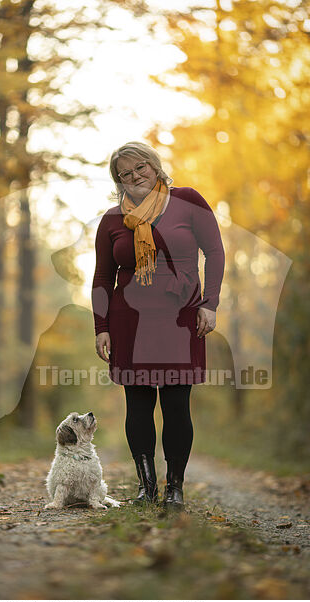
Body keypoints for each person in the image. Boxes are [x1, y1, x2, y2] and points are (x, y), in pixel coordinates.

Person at [91, 141, 225, 510]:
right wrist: (101, 325)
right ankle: (146, 486)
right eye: (125, 174)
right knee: (137, 402)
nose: (134, 177)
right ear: (118, 181)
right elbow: (103, 277)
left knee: (177, 403)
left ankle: (175, 488)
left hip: (181, 317)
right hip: (128, 320)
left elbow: (214, 253)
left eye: (140, 168)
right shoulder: (112, 220)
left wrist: (210, 304)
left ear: (154, 165)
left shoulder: (188, 201)